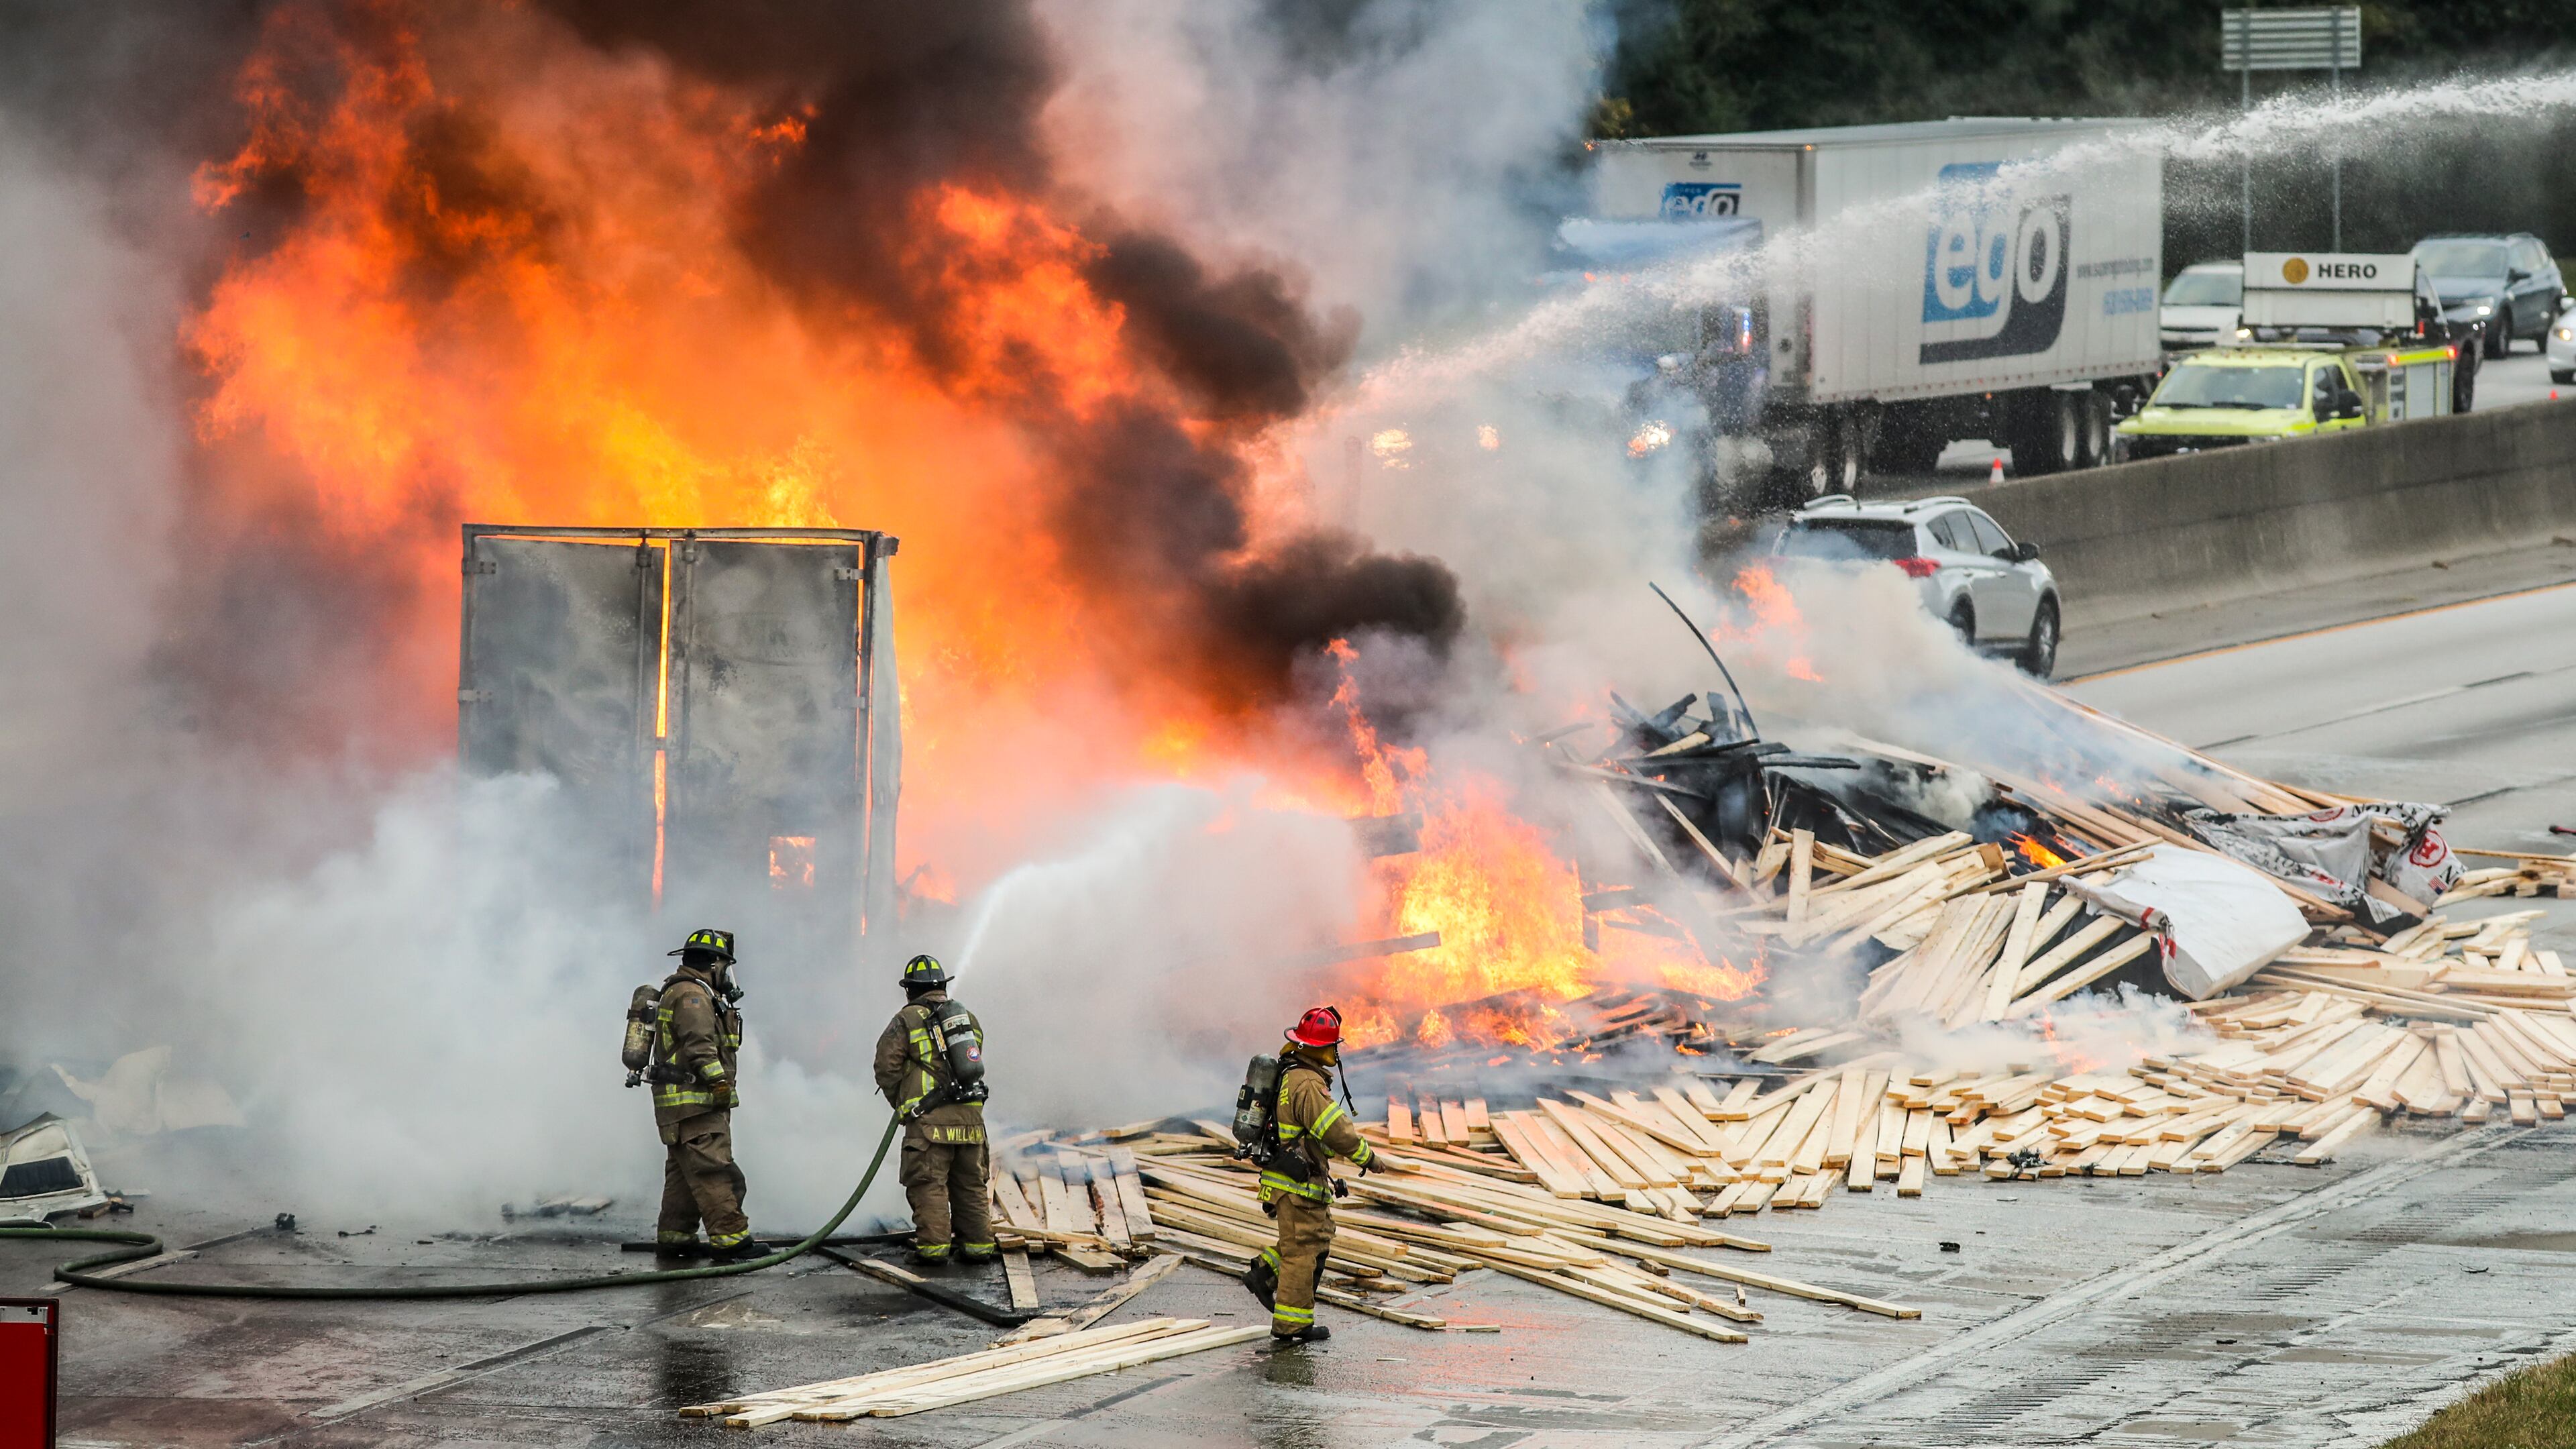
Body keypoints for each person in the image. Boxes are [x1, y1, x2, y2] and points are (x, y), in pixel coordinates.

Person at [1243, 1006, 1376, 1344]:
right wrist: (1368, 1157)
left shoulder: (1293, 1074)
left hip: (1290, 1176)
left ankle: (1264, 1272)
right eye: (1332, 1045)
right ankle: (1292, 1327)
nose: (1336, 1051)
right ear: (1318, 1048)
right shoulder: (1307, 1083)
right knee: (1304, 1248)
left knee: (1309, 1239)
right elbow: (1335, 1130)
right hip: (1297, 1182)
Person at [873, 953, 994, 1267]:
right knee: (970, 1185)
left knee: (929, 1186)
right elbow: (972, 1059)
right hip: (971, 1123)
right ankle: (979, 1247)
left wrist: (904, 1104)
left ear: (910, 990)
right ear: (942, 986)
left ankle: (934, 1251)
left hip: (929, 1126)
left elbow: (886, 1066)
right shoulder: (966, 1019)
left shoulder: (906, 1020)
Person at [650, 928, 759, 1262]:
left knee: (684, 1174)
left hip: (682, 1107)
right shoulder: (693, 997)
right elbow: (700, 1048)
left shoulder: (686, 992)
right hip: (696, 1103)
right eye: (725, 966)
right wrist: (720, 1086)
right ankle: (730, 1237)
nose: (727, 974)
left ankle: (676, 1235)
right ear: (713, 964)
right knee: (714, 1170)